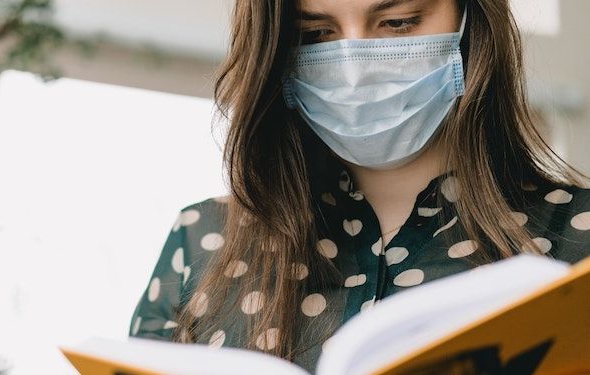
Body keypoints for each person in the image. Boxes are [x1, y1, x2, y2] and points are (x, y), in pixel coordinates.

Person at [128, 0, 590, 372]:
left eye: (398, 22)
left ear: (471, 21)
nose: (355, 67)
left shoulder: (579, 236)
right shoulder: (203, 237)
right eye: (316, 34)